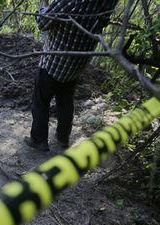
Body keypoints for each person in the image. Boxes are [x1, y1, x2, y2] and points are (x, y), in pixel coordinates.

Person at [25, 0, 119, 152]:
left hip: (54, 62)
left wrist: (43, 6)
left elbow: (42, 23)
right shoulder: (108, 3)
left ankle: (39, 141)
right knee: (66, 101)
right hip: (77, 64)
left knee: (41, 101)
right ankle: (63, 138)